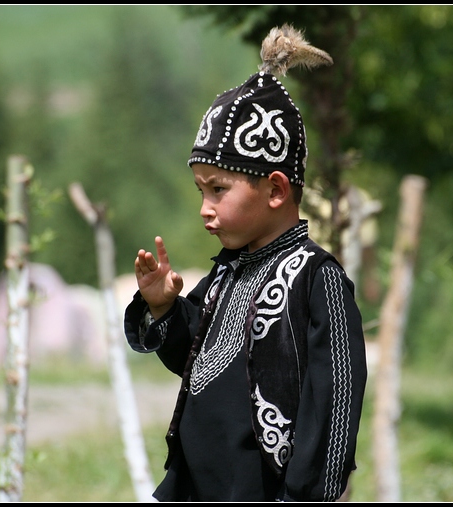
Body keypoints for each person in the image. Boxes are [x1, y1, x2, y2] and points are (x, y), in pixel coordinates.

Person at [123, 24, 367, 502]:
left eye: (218, 189)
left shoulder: (318, 281)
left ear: (275, 190)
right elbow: (196, 362)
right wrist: (165, 310)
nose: (205, 208)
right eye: (201, 191)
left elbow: (335, 409)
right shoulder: (226, 273)